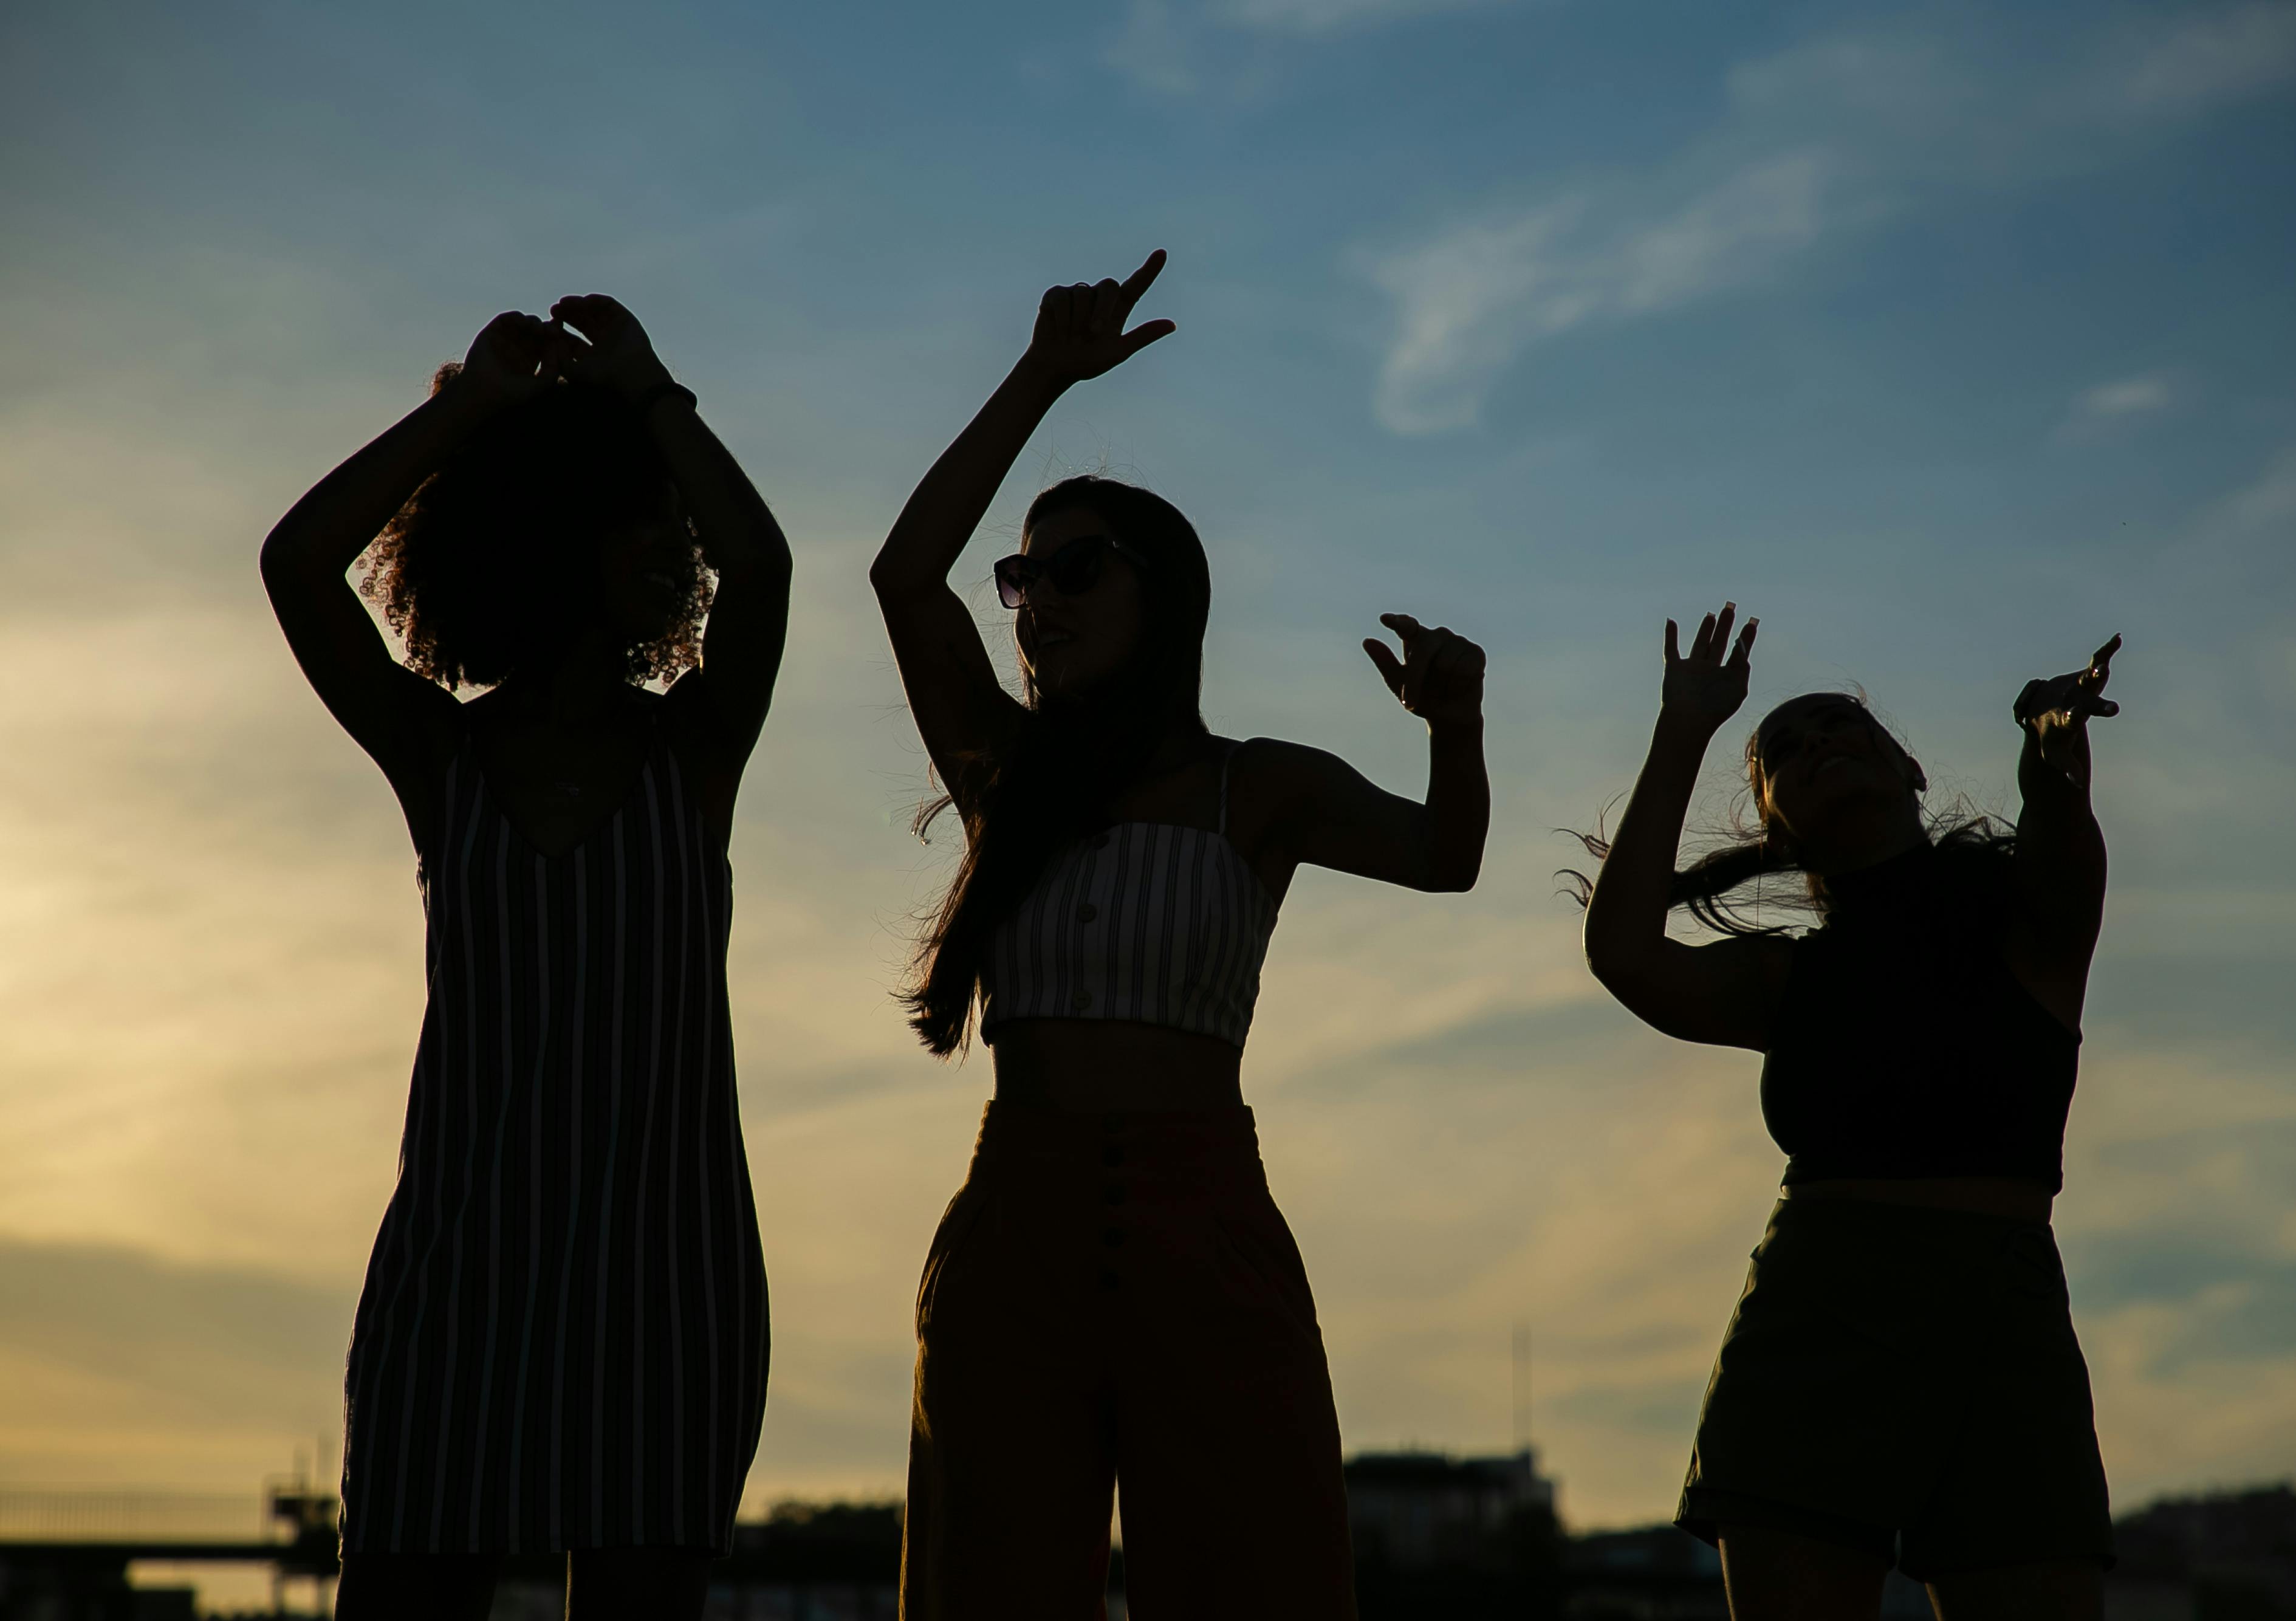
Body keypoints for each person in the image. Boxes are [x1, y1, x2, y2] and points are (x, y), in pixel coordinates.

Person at [871, 250, 1489, 1619]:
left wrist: (1457, 727)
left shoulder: (1258, 786)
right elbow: (909, 576)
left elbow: (1448, 859)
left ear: (1168, 593)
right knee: (989, 1582)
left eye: (1078, 565)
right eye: (1026, 576)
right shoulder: (1003, 773)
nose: (1040, 600)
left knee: (1251, 1573)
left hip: (1205, 1221)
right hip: (1013, 1222)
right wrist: (1040, 374)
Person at [261, 296, 791, 1621]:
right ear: (557, 534)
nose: (678, 543)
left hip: (665, 1277)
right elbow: (295, 562)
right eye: (641, 513)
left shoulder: (696, 748)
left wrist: (657, 388)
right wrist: (466, 411)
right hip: (459, 1272)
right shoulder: (441, 754)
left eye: (673, 515)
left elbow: (764, 567)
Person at [1573, 603, 2122, 1621]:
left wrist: (2051, 741)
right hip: (1817, 1315)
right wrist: (1683, 729)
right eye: (1783, 749)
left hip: (2004, 1318)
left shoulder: (2027, 924)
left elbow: (2058, 823)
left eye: (1841, 725)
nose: (1816, 740)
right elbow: (1625, 955)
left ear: (1907, 769)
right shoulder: (1788, 979)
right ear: (1775, 820)